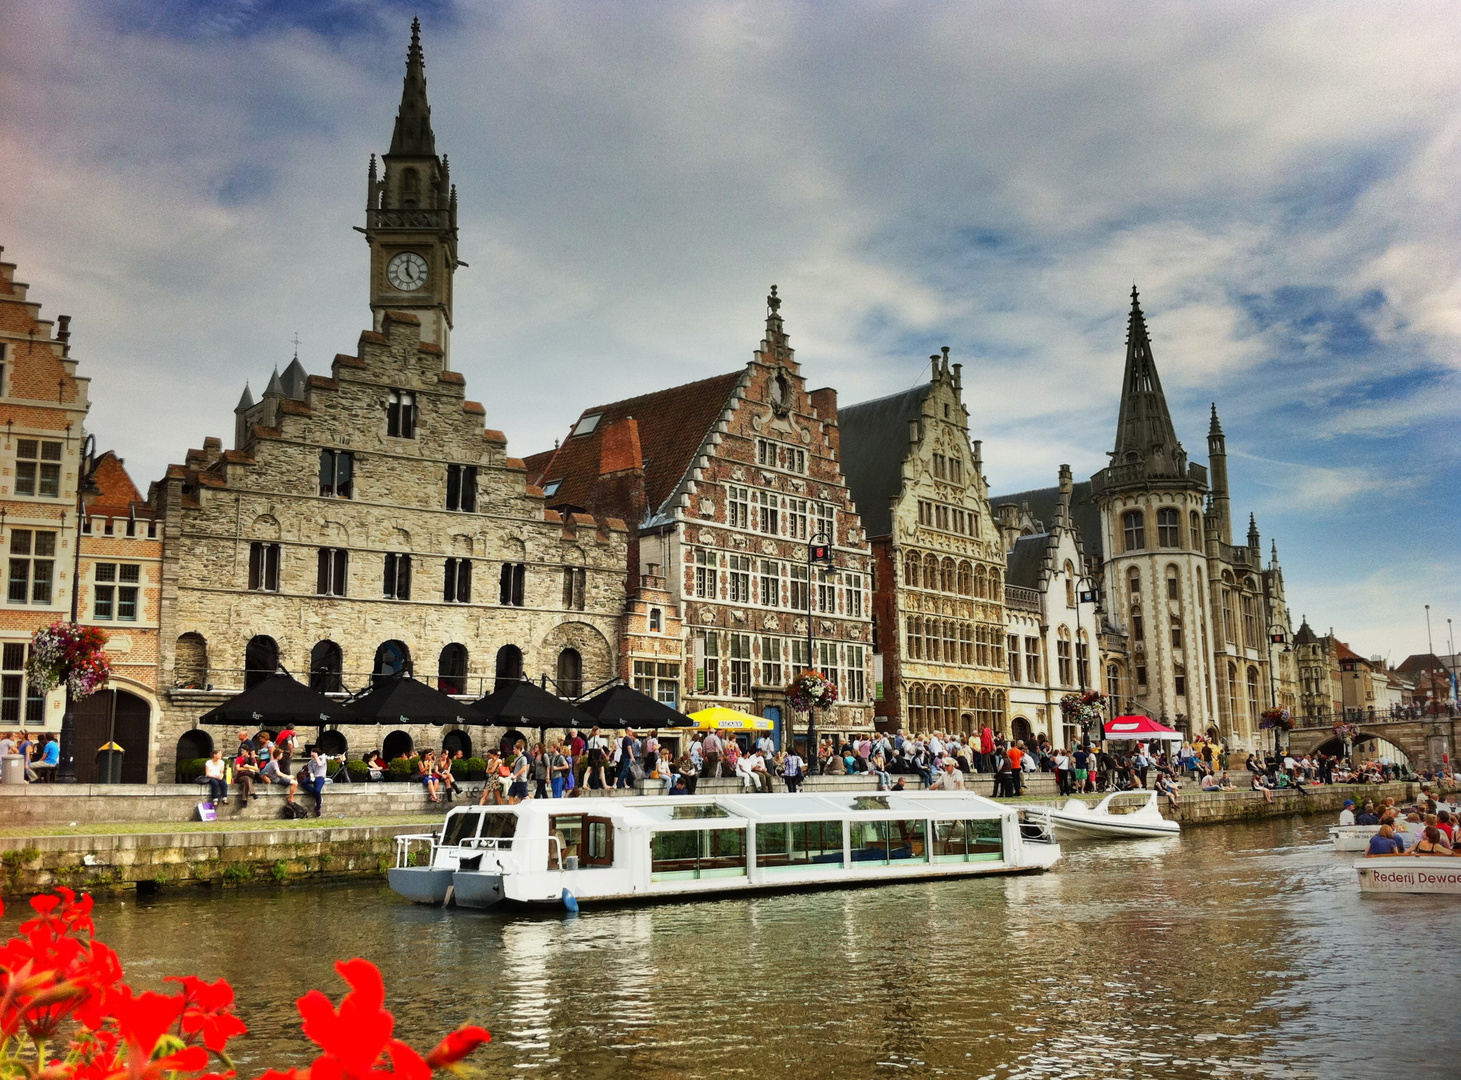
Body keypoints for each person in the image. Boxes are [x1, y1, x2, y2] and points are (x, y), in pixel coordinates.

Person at [304, 749, 328, 817]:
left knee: (318, 790)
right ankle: (317, 795)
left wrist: (316, 757)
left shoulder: (322, 758)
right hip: (315, 777)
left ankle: (318, 806)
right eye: (312, 755)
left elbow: (320, 764)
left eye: (313, 755)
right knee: (304, 782)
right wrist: (311, 777)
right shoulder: (311, 762)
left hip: (320, 777)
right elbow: (311, 771)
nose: (312, 757)